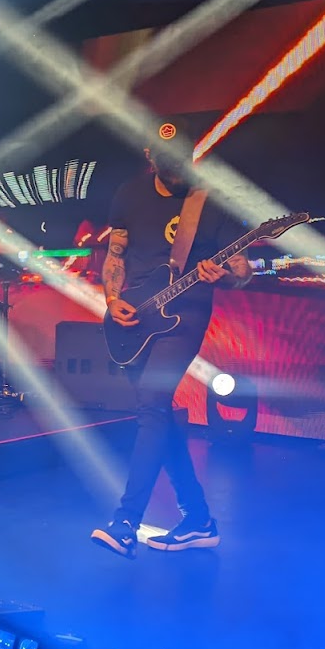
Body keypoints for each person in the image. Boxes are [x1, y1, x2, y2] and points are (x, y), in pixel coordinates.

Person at [90, 117, 252, 558]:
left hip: (186, 317)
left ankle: (126, 523)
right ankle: (198, 520)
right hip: (136, 319)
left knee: (150, 405)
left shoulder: (209, 200)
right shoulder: (129, 193)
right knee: (155, 413)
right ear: (150, 158)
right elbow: (115, 253)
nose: (178, 170)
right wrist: (111, 297)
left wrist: (225, 274)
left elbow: (244, 269)